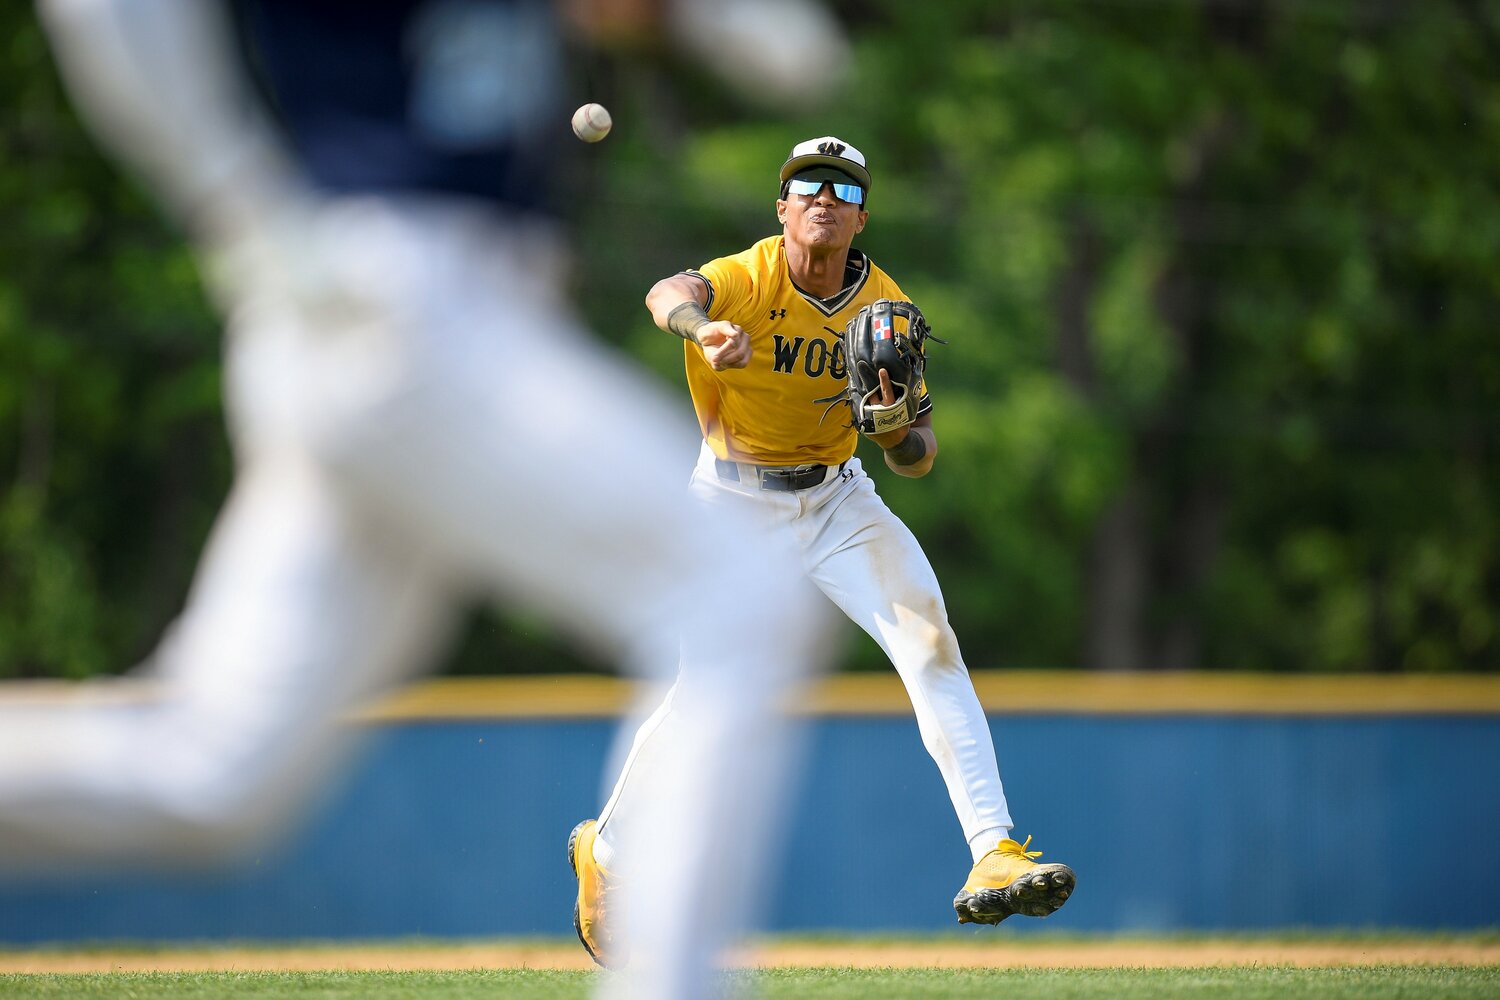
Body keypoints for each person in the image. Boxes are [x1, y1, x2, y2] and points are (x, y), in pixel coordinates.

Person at [0, 2, 847, 997]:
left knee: (212, 779)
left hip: (431, 316)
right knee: (739, 596)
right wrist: (233, 195)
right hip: (400, 305)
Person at [569, 135, 1077, 965]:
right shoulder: (749, 275)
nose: (824, 196)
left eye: (843, 187)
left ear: (861, 213)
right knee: (706, 686)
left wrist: (897, 432)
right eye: (807, 182)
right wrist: (702, 330)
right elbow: (667, 292)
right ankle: (609, 852)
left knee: (930, 640)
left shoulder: (886, 302)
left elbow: (920, 457)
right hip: (729, 502)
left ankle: (992, 849)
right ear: (782, 205)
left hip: (837, 497)